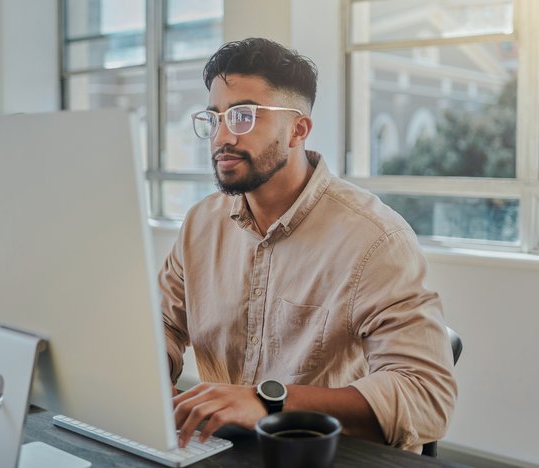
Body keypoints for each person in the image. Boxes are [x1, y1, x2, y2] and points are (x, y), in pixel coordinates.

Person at [159, 37, 457, 453]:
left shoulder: (376, 240)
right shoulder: (199, 224)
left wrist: (267, 402)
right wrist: (151, 379)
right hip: (219, 450)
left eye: (243, 116)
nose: (221, 137)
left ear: (298, 129)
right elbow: (164, 325)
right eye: (215, 118)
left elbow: (426, 397)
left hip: (328, 456)